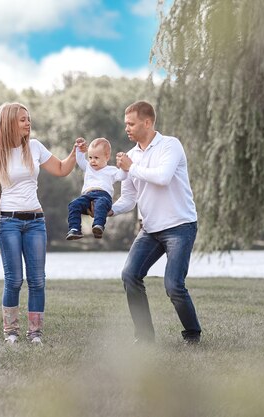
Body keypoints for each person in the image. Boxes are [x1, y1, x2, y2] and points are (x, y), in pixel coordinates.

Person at [0, 102, 80, 345]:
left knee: (37, 280)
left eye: (28, 119)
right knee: (14, 280)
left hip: (36, 222)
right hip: (9, 223)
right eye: (23, 119)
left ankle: (35, 333)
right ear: (9, 123)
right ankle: (11, 332)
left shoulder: (35, 147)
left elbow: (60, 169)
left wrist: (75, 152)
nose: (28, 123)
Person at [111, 100, 202, 345]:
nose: (127, 128)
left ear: (147, 122)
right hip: (150, 229)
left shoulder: (170, 145)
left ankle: (192, 334)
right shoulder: (130, 156)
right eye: (125, 124)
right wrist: (110, 210)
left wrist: (132, 167)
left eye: (131, 124)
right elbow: (129, 199)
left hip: (180, 226)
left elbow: (162, 178)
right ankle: (144, 337)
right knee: (130, 275)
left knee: (173, 285)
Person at [66, 137, 127, 240]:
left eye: (96, 158)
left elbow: (122, 176)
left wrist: (123, 166)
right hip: (87, 196)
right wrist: (79, 148)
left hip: (103, 196)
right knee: (73, 204)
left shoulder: (111, 170)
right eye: (90, 157)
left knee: (101, 203)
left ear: (107, 157)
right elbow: (80, 159)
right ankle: (75, 229)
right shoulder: (88, 167)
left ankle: (98, 226)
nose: (92, 161)